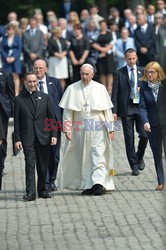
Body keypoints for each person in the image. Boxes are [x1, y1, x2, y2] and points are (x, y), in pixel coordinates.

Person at [57, 63, 115, 195]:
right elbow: (67, 113)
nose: (84, 76)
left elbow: (107, 111)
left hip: (98, 126)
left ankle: (99, 184)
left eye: (87, 74)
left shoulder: (100, 88)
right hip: (80, 128)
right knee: (83, 156)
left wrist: (111, 129)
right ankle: (87, 184)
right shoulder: (72, 89)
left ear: (92, 75)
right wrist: (67, 129)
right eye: (82, 74)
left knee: (98, 153)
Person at [14, 72, 57, 201]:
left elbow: (51, 118)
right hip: (28, 138)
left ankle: (42, 190)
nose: (32, 84)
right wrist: (17, 139)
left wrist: (54, 134)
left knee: (43, 166)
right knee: (30, 165)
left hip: (44, 136)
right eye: (30, 82)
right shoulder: (19, 99)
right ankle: (30, 193)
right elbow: (16, 122)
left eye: (34, 82)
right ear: (25, 82)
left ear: (37, 83)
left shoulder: (45, 97)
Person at [112, 48, 148, 176]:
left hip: (141, 107)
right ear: (125, 58)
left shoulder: (143, 71)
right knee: (129, 138)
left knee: (144, 135)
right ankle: (134, 165)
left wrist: (142, 90)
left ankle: (139, 156)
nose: (132, 61)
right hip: (126, 108)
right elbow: (114, 93)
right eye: (129, 59)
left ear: (136, 57)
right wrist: (114, 111)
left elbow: (150, 89)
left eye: (133, 58)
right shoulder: (119, 73)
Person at [33, 59, 63, 192]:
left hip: (54, 123)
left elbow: (62, 102)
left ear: (46, 69)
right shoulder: (31, 83)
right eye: (36, 68)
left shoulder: (54, 82)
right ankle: (44, 181)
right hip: (38, 124)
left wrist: (64, 123)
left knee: (54, 155)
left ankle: (51, 179)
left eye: (40, 68)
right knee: (42, 154)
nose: (38, 70)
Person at [139, 62, 166, 191]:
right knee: (157, 153)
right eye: (147, 72)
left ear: (158, 73)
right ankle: (161, 181)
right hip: (152, 125)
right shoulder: (144, 87)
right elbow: (142, 107)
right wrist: (145, 121)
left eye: (152, 72)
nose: (149, 75)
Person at [0, 69, 15, 190]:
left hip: (1, 112)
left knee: (1, 139)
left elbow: (11, 94)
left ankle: (1, 164)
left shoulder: (5, 74)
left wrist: (14, 112)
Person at [1, 22, 22, 95]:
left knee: (15, 76)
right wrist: (6, 58)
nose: (9, 31)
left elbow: (19, 49)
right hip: (7, 59)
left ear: (13, 30)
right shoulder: (4, 38)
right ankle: (8, 92)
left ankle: (16, 92)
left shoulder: (17, 37)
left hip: (15, 59)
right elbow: (2, 49)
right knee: (7, 75)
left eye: (10, 29)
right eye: (7, 30)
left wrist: (14, 57)